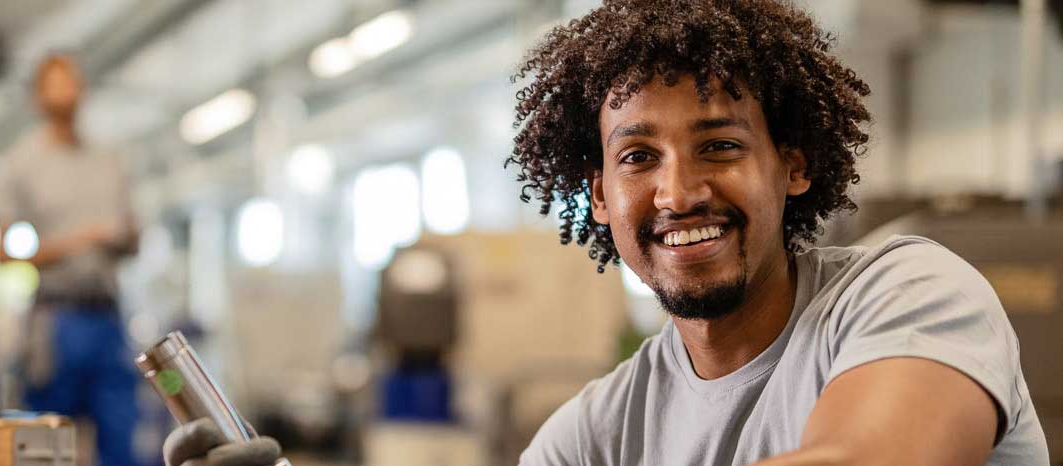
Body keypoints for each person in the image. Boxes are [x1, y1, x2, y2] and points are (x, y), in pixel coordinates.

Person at [161, 1, 1051, 465]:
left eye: (720, 145)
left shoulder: (911, 291)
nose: (679, 191)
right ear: (598, 195)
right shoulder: (590, 435)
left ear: (795, 164)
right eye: (637, 157)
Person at [0, 54, 142, 466]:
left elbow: (134, 241)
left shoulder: (109, 161)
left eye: (72, 81)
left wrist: (120, 236)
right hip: (54, 322)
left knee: (121, 438)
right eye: (55, 83)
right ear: (38, 98)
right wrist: (75, 241)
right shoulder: (22, 162)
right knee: (46, 447)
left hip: (108, 319)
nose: (66, 91)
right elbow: (3, 254)